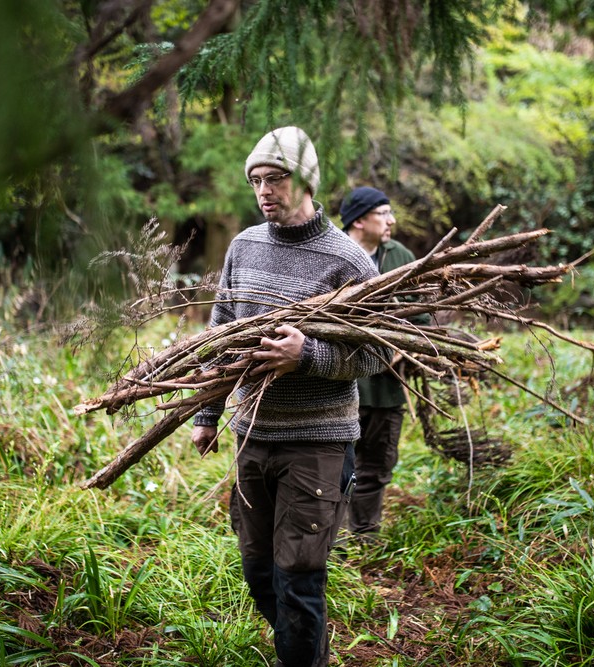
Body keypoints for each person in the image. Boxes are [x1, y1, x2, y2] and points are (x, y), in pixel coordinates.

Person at [190, 127, 385, 667]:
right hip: (254, 434)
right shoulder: (244, 246)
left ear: (304, 180)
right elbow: (220, 331)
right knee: (258, 569)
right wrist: (208, 412)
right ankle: (310, 653)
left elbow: (377, 355)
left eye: (275, 178)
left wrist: (309, 357)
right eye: (256, 180)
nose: (263, 191)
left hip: (318, 442)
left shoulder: (349, 261)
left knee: (298, 575)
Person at [339, 186, 429, 536]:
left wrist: (412, 345)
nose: (391, 220)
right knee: (333, 467)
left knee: (377, 465)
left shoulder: (401, 255)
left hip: (387, 387)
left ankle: (364, 535)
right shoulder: (333, 253)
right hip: (338, 386)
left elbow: (422, 314)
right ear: (359, 220)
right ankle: (330, 541)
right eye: (383, 213)